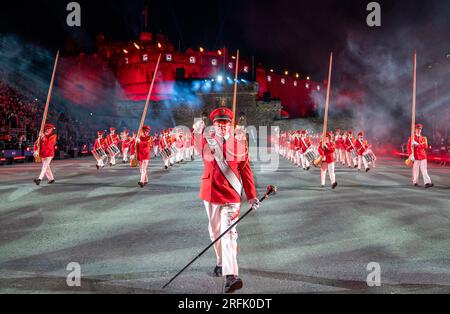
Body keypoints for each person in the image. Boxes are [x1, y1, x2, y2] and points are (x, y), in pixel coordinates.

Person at [193, 107, 259, 293]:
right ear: (213, 125)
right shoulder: (207, 141)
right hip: (211, 193)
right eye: (219, 123)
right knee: (215, 232)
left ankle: (231, 275)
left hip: (231, 195)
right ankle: (221, 262)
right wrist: (197, 130)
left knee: (229, 232)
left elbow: (246, 171)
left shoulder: (240, 144)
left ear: (231, 125)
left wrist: (251, 195)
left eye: (226, 123)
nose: (223, 126)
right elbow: (195, 143)